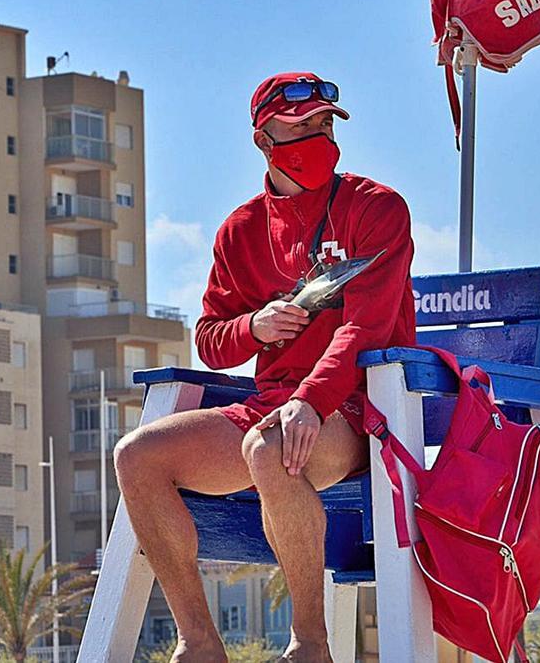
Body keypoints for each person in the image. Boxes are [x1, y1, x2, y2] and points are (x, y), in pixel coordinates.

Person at [114, 72, 416, 663]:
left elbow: (367, 328)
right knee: (136, 456)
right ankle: (199, 643)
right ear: (263, 139)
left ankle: (310, 645)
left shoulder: (376, 208)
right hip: (268, 409)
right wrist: (254, 326)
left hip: (356, 408)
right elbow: (210, 341)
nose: (320, 135)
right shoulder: (240, 230)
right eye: (303, 125)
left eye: (326, 124)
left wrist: (310, 398)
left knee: (268, 446)